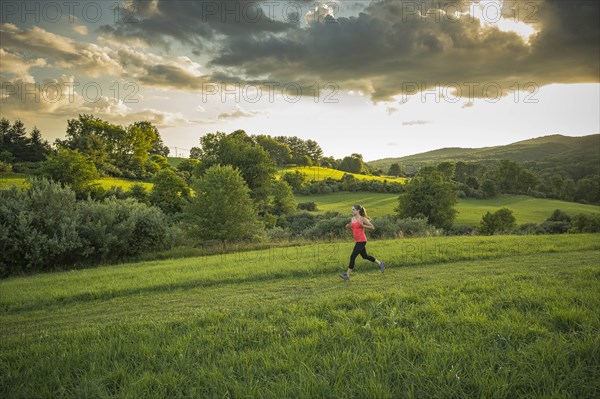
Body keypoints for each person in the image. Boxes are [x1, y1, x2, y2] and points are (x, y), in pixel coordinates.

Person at [339, 204, 384, 281]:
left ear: (358, 210)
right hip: (357, 240)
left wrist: (363, 225)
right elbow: (353, 230)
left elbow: (372, 227)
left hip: (362, 240)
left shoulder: (362, 219)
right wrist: (348, 227)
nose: (352, 210)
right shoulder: (352, 219)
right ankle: (380, 264)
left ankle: (347, 275)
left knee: (352, 256)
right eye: (352, 209)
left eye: (353, 209)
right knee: (365, 256)